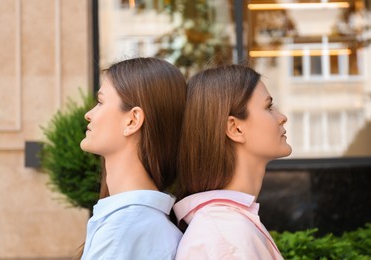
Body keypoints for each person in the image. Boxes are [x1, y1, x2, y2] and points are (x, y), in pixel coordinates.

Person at [174, 64, 292, 259]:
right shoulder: (227, 236)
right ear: (235, 128)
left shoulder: (226, 227)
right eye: (268, 107)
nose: (282, 117)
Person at [79, 57, 186, 259]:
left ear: (132, 120)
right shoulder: (139, 223)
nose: (89, 114)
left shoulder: (123, 230)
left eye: (100, 102)